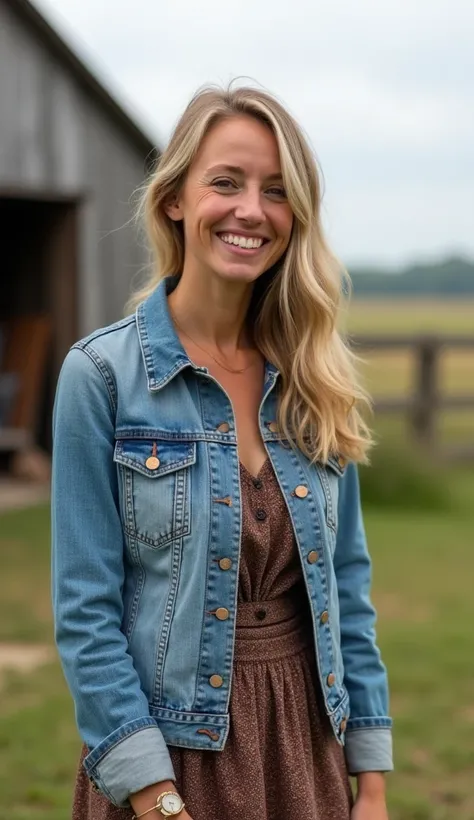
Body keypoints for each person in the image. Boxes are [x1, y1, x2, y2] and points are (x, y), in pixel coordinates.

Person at [51, 85, 393, 820]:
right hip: (168, 757)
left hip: (307, 748)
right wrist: (154, 793)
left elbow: (348, 590)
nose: (251, 210)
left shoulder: (316, 379)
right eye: (226, 182)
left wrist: (371, 780)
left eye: (276, 190)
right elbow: (85, 612)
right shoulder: (103, 377)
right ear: (175, 199)